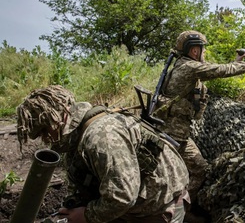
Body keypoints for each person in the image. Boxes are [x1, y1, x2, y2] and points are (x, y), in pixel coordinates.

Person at [16, 85, 190, 223]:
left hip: (159, 206)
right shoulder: (77, 136)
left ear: (58, 119)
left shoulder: (101, 137)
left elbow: (122, 195)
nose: (46, 140)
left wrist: (86, 216)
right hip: (132, 206)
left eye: (45, 131)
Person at [153, 30, 245, 221]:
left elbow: (215, 67)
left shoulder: (185, 65)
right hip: (171, 135)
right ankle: (173, 213)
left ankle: (184, 209)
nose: (204, 53)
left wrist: (238, 60)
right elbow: (221, 71)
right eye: (202, 49)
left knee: (199, 168)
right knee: (176, 174)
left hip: (179, 133)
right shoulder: (189, 68)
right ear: (194, 51)